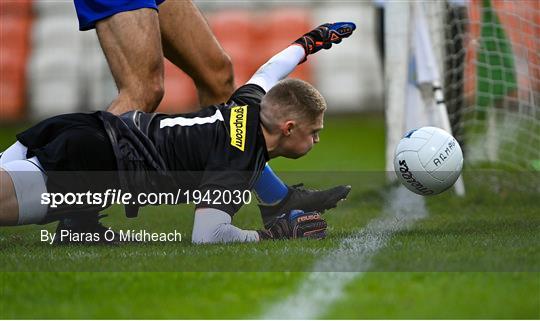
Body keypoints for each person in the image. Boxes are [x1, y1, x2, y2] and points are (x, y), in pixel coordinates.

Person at [0, 22, 356, 243]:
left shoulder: (250, 106)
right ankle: (78, 221)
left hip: (86, 127)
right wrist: (271, 235)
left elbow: (268, 71)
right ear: (288, 127)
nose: (318, 139)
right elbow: (208, 235)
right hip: (89, 163)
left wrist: (311, 42)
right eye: (314, 132)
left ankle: (79, 225)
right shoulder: (240, 159)